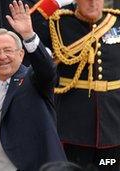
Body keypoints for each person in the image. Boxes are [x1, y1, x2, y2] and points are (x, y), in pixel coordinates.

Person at [0, 1, 66, 171]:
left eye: (8, 50)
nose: (2, 56)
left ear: (21, 53)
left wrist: (28, 35)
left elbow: (47, 70)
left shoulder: (33, 80)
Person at [38, 0, 120, 170]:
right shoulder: (58, 23)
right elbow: (34, 50)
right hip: (73, 122)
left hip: (114, 121)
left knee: (111, 166)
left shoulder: (116, 21)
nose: (92, 3)